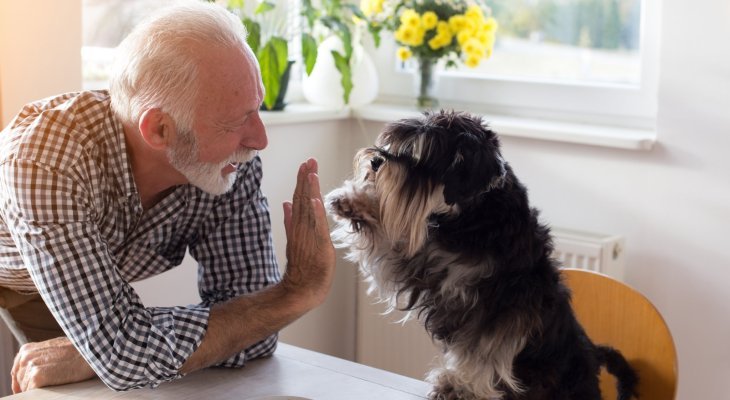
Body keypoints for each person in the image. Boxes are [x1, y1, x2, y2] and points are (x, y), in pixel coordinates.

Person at [0, 1, 335, 393]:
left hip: (89, 274)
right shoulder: (46, 161)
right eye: (235, 121)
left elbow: (257, 331)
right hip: (13, 274)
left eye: (256, 108)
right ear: (159, 129)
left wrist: (114, 347)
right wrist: (296, 293)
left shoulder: (229, 163)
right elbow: (125, 356)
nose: (259, 139)